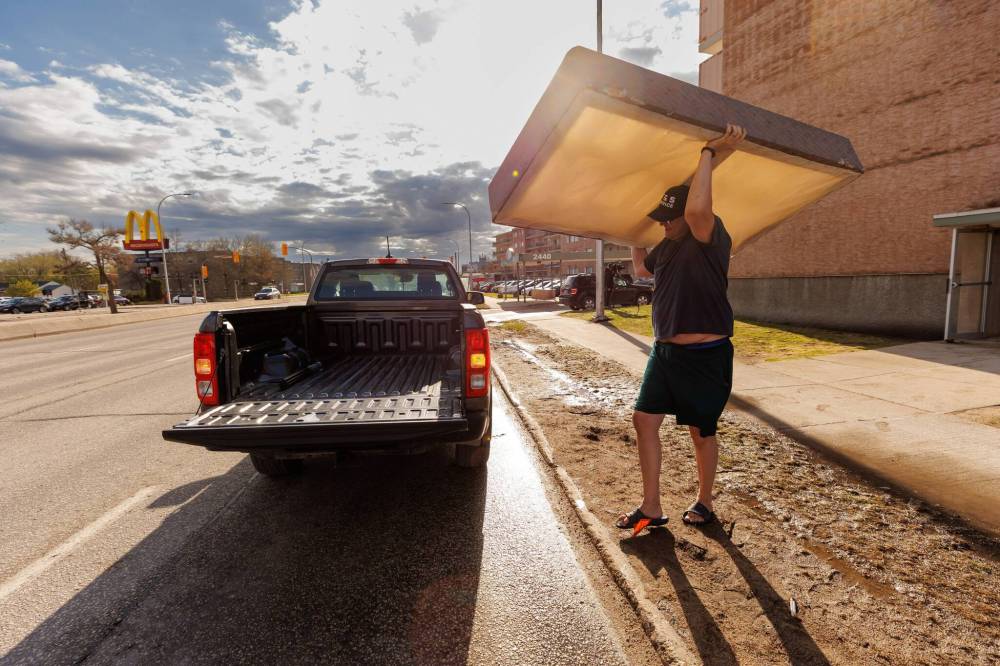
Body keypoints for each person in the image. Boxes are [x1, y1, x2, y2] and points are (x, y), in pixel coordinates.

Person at [616, 123, 747, 534]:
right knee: (644, 419)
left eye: (668, 219)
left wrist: (709, 153)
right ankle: (651, 506)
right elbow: (641, 268)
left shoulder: (710, 235)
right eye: (661, 220)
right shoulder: (668, 245)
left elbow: (694, 211)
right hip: (666, 353)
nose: (664, 225)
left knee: (700, 432)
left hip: (706, 356)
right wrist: (626, 233)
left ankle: (705, 503)